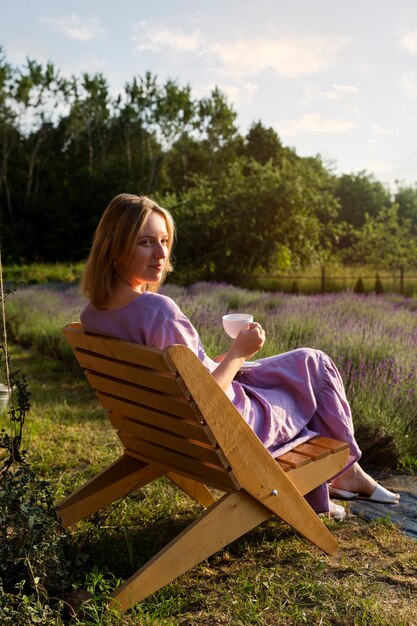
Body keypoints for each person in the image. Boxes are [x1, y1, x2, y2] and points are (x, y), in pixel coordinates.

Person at [80, 193, 400, 519]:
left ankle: (331, 483)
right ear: (115, 247)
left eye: (164, 240)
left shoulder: (93, 315)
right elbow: (205, 401)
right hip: (227, 430)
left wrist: (215, 361)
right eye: (146, 242)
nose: (161, 253)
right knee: (316, 366)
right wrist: (238, 352)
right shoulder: (156, 311)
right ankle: (341, 475)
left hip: (166, 436)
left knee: (304, 362)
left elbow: (177, 380)